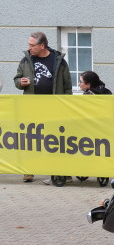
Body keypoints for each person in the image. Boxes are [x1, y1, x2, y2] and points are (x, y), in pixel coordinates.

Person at [14, 31, 72, 183]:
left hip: (55, 107)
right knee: (30, 138)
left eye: (32, 45)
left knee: (55, 139)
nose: (29, 48)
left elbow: (67, 86)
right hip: (32, 107)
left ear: (42, 45)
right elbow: (17, 79)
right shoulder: (25, 61)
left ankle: (58, 171)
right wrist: (21, 82)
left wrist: (67, 104)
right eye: (29, 44)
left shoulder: (59, 61)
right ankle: (29, 170)